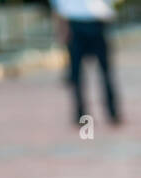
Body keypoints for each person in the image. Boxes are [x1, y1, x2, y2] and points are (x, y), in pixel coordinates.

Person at [50, 0, 122, 128]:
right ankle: (82, 115)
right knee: (77, 75)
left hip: (95, 23)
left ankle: (112, 113)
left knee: (104, 72)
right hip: (76, 25)